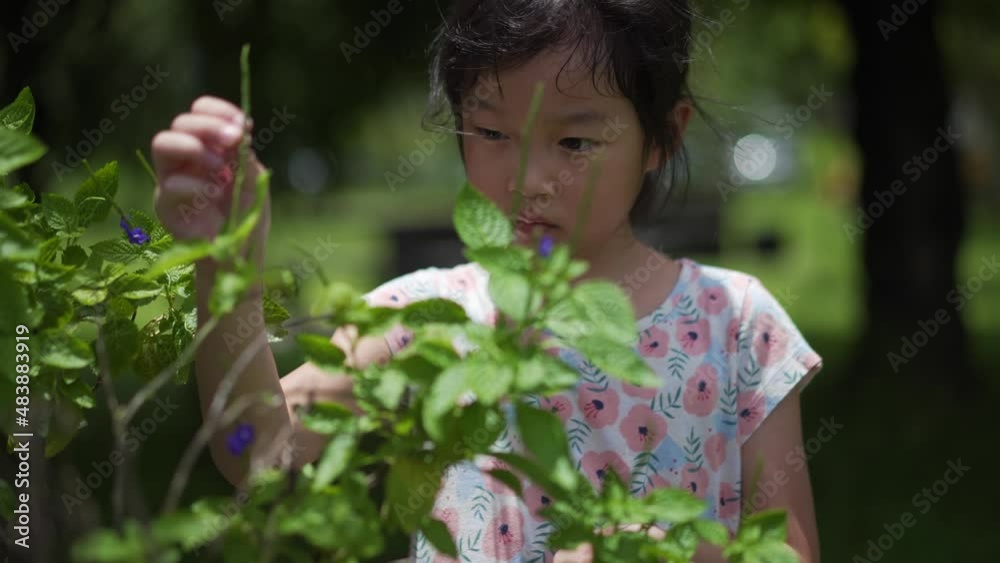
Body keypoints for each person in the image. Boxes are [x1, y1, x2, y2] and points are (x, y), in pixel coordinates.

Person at [150, 1, 822, 561]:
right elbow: (259, 451)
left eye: (575, 143)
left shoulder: (736, 324)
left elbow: (785, 548)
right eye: (493, 130)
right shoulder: (429, 319)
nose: (528, 179)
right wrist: (227, 264)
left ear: (661, 139)